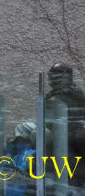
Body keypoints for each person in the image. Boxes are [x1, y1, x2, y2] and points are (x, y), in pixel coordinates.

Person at [45, 63, 85, 191]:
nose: (52, 80)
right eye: (52, 76)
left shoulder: (70, 95)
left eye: (56, 76)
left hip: (70, 141)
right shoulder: (54, 96)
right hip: (63, 139)